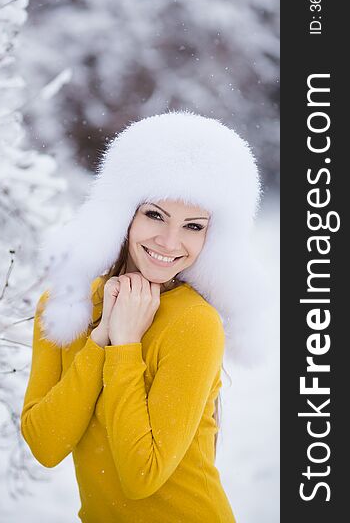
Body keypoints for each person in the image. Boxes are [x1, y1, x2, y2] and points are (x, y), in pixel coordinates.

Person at [21, 111, 266, 522]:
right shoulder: (67, 304)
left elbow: (142, 475)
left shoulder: (194, 322)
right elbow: (46, 445)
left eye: (193, 225)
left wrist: (126, 348)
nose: (170, 242)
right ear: (123, 213)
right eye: (154, 215)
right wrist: (100, 340)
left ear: (213, 235)